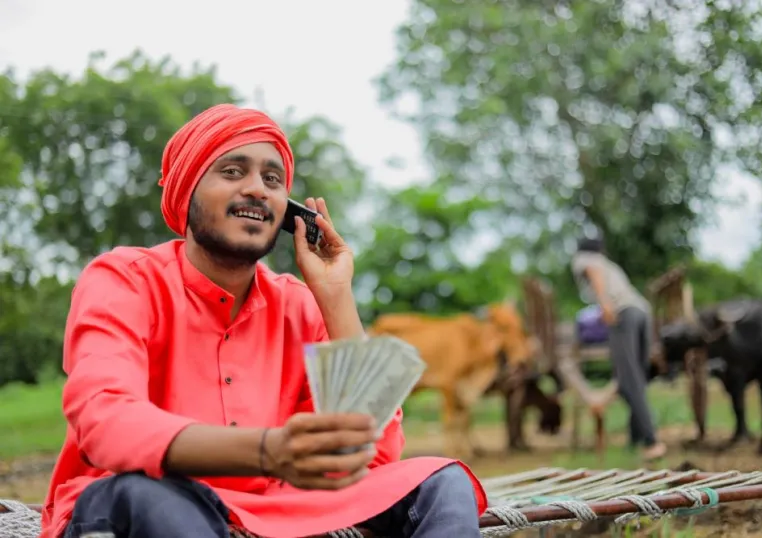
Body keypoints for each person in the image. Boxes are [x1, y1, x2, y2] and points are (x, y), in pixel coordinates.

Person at [40, 103, 487, 538]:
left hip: (273, 508)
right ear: (187, 191)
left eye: (272, 179)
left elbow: (372, 456)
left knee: (440, 482)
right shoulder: (124, 279)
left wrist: (335, 296)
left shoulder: (299, 303)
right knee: (149, 496)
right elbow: (106, 422)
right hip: (142, 497)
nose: (258, 188)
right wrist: (266, 452)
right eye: (233, 172)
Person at [570, 235, 667, 461]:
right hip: (642, 311)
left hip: (623, 313)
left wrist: (604, 304)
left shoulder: (584, 259)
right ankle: (635, 440)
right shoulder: (609, 264)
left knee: (628, 379)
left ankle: (652, 442)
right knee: (637, 377)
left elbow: (593, 273)